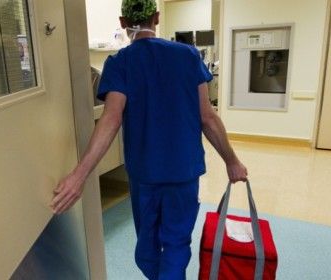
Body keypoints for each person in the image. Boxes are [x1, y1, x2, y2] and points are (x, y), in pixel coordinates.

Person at [51, 0, 248, 279]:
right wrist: (232, 162)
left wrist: (78, 176)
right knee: (177, 243)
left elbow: (111, 119)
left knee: (147, 247)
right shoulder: (188, 55)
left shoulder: (120, 63)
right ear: (156, 17)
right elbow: (208, 118)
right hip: (184, 173)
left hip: (145, 175)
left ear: (122, 22)